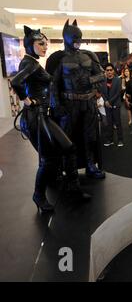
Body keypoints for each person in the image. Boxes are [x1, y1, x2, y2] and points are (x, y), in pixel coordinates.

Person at [11, 26, 73, 213]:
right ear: (31, 45)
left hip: (42, 116)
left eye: (46, 44)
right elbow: (16, 82)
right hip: (35, 118)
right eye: (41, 44)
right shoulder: (30, 63)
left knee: (67, 146)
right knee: (48, 159)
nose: (45, 47)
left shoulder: (33, 63)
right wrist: (28, 101)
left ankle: (56, 180)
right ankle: (38, 195)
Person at [47, 19, 106, 199]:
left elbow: (102, 75)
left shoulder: (88, 55)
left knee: (89, 137)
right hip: (69, 103)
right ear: (66, 37)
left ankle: (90, 165)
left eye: (79, 37)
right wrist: (56, 105)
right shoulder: (58, 59)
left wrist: (90, 81)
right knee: (68, 140)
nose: (78, 41)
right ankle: (70, 174)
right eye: (75, 37)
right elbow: (52, 84)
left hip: (88, 103)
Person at [102, 63, 124, 147]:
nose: (109, 72)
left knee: (118, 123)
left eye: (111, 70)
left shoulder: (118, 80)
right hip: (107, 105)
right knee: (109, 123)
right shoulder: (103, 81)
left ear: (113, 71)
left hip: (115, 105)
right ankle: (110, 140)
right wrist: (105, 101)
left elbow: (118, 93)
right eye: (107, 70)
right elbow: (102, 93)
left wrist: (109, 102)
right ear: (105, 71)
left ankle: (120, 140)